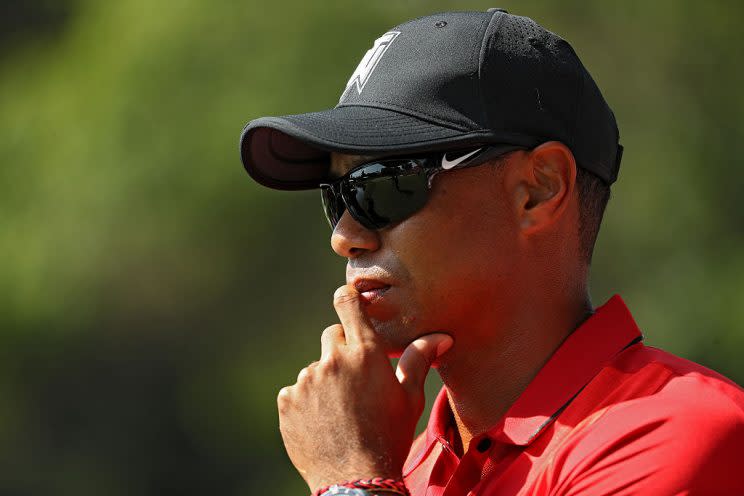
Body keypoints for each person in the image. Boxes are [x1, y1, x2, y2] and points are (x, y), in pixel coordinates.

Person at [239, 8, 744, 496]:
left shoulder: (672, 435)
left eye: (384, 186)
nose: (345, 235)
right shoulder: (404, 470)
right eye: (337, 196)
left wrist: (351, 482)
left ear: (538, 190)